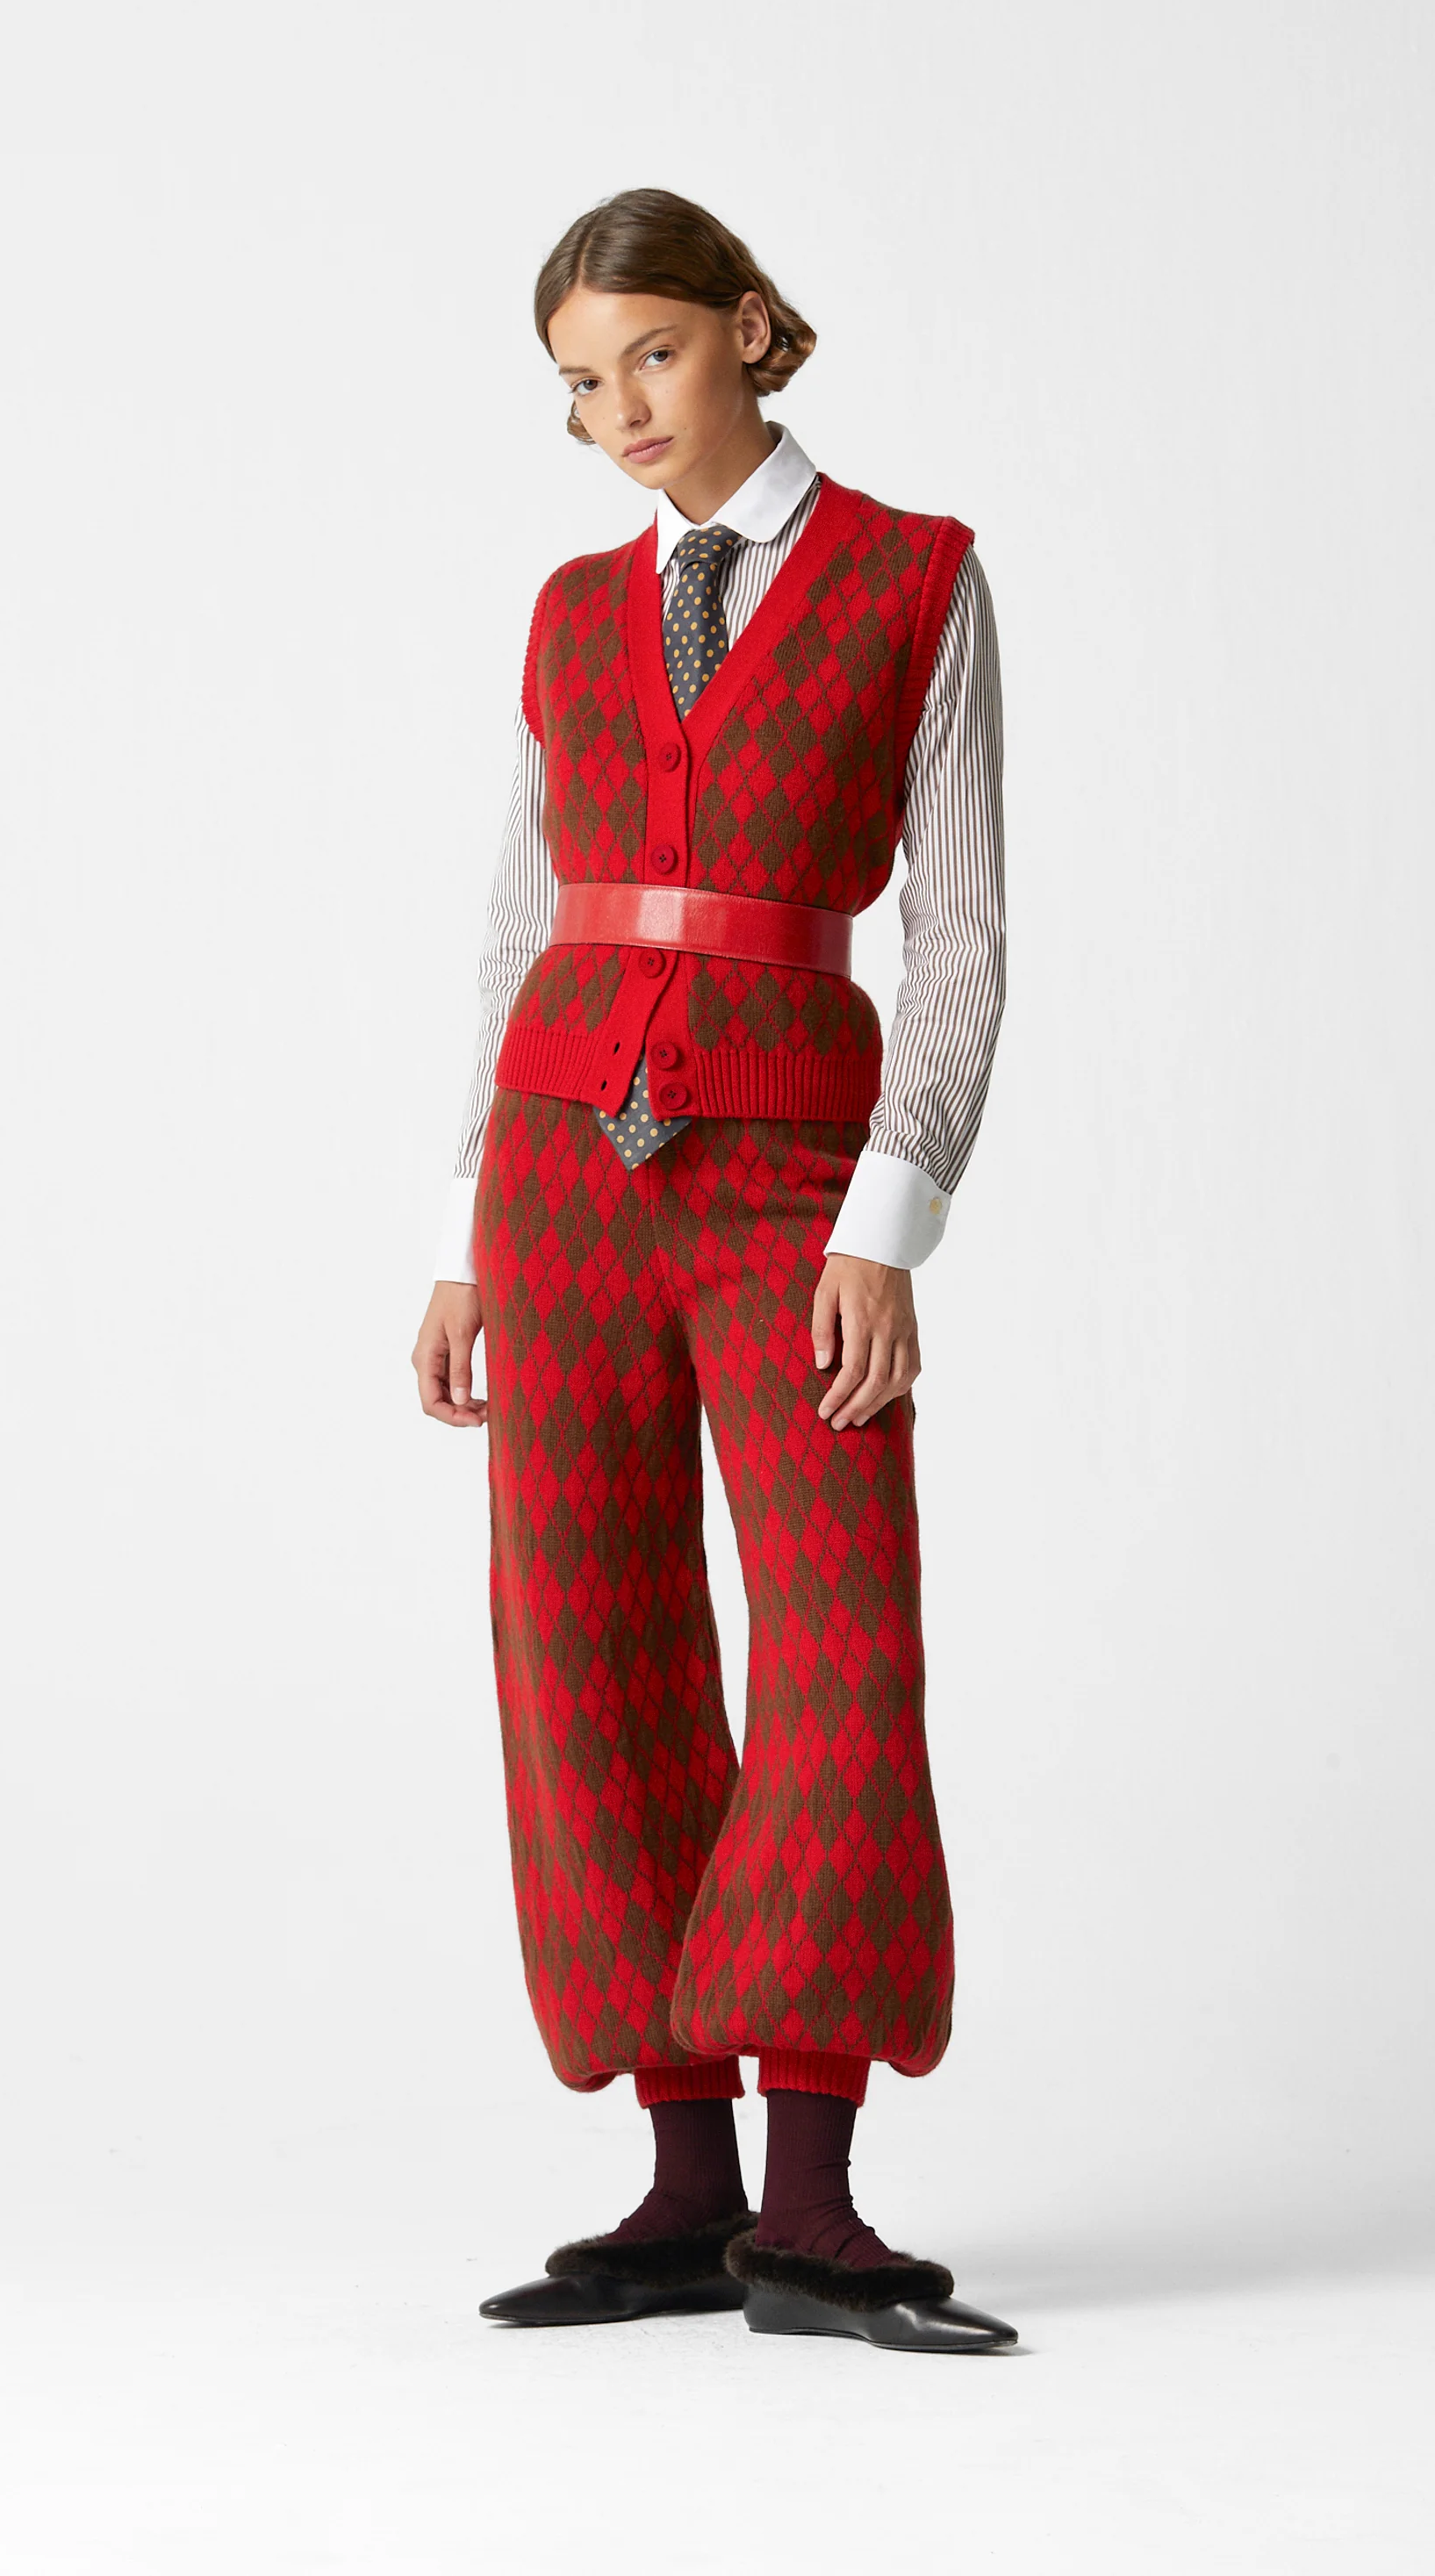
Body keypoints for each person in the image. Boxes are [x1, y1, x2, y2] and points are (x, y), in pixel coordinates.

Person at [411, 189, 1012, 2353]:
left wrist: (889, 1219)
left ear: (752, 327)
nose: (619, 412)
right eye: (580, 384)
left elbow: (960, 931)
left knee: (843, 1640)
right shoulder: (572, 611)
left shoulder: (913, 578)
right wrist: (464, 1233)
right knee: (586, 1638)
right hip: (558, 1172)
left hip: (789, 1174)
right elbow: (520, 922)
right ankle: (686, 2187)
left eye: (650, 353)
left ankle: (816, 2210)